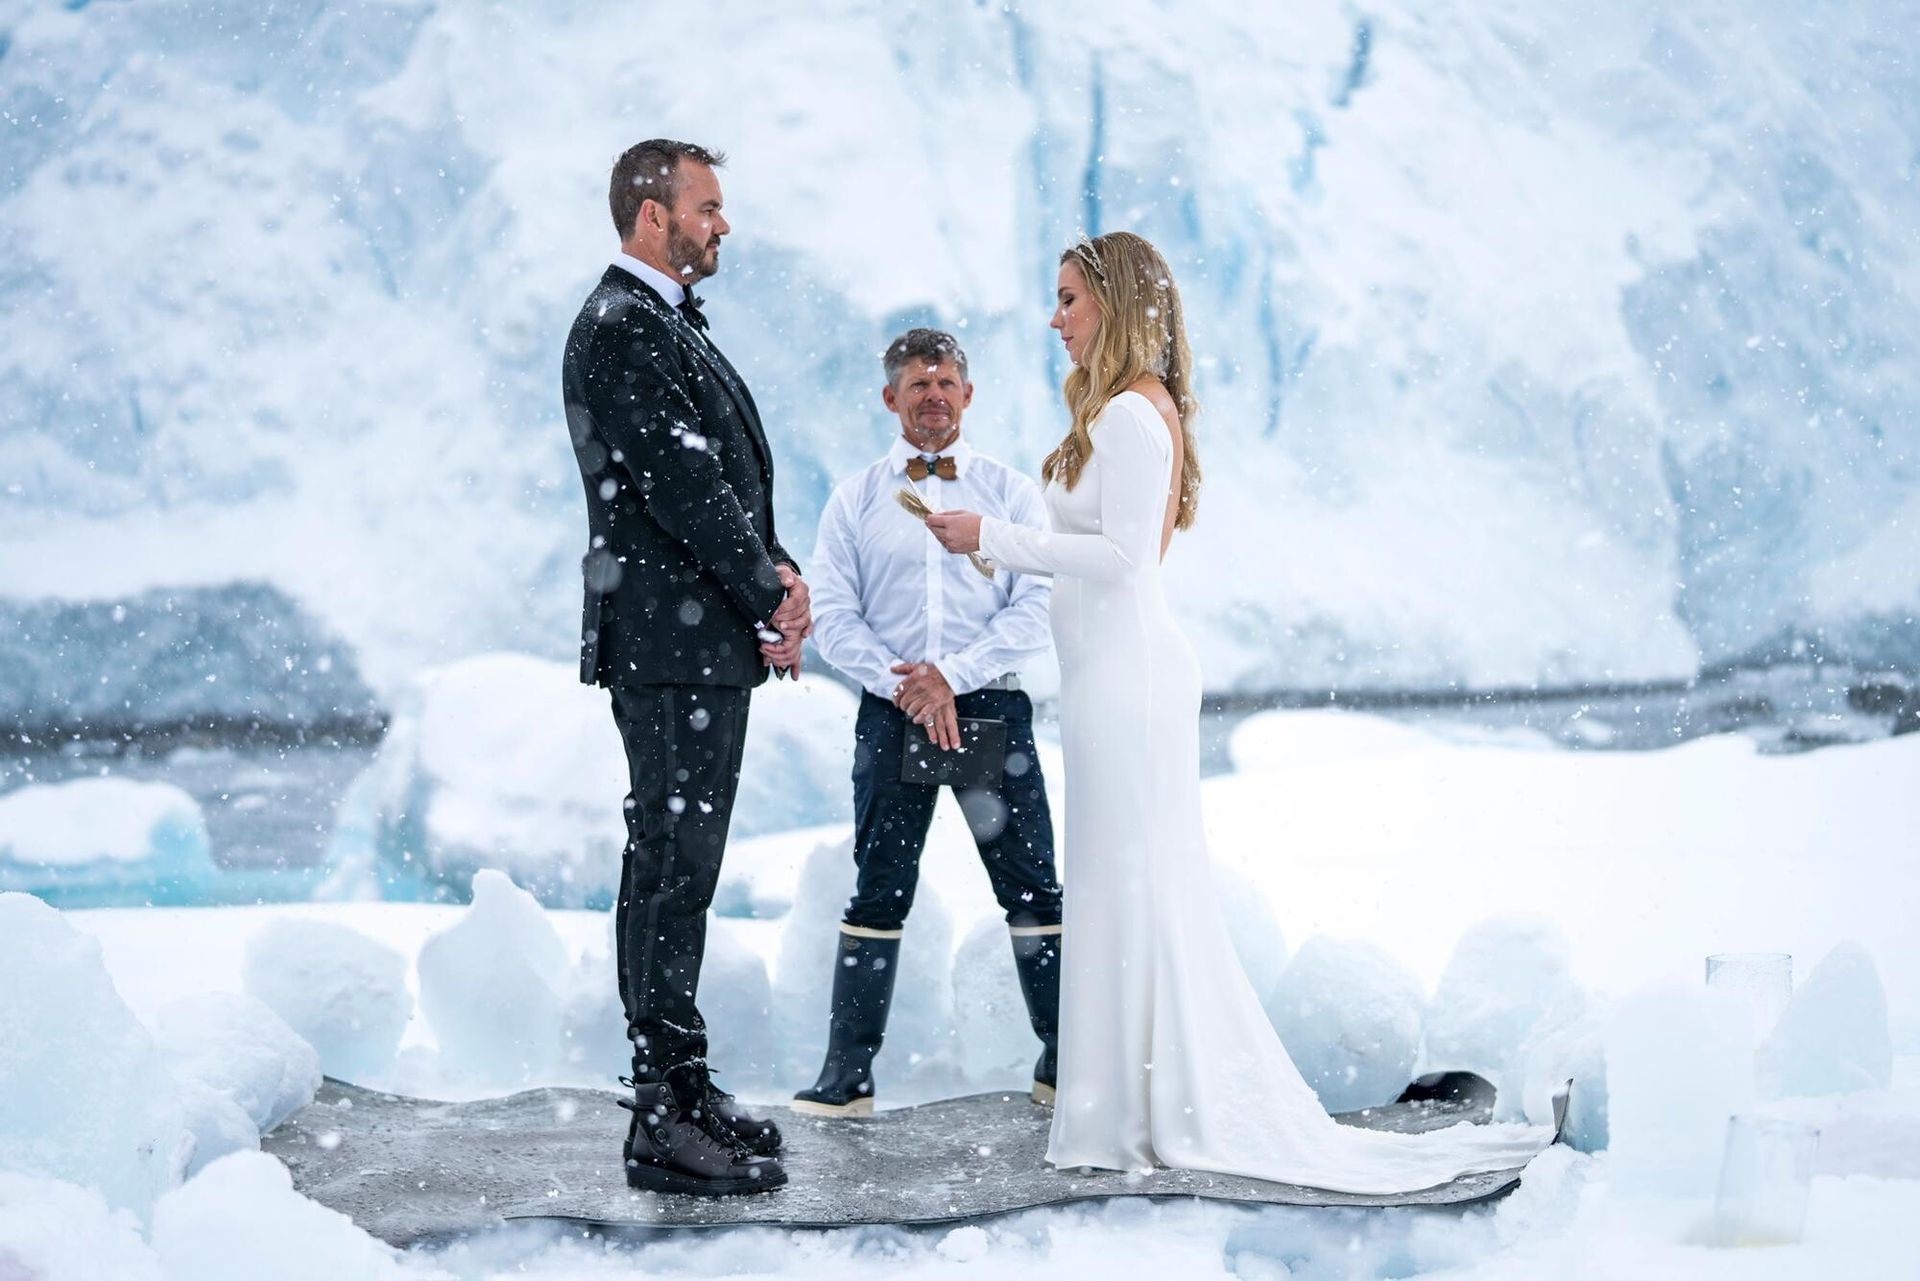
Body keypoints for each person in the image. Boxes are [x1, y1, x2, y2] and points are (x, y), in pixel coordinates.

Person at [924, 232, 1551, 1191]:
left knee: (1134, 884)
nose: (1054, 319)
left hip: (1129, 681)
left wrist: (997, 537)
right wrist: (1001, 546)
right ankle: (1126, 1105)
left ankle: (1135, 1110)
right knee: (1121, 884)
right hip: (1105, 678)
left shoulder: (1134, 419)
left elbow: (1128, 561)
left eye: (1068, 300)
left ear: (1118, 304)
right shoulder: (1121, 412)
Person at [561, 138, 808, 1197]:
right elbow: (682, 484)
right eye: (708, 206)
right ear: (652, 216)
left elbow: (718, 480)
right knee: (667, 865)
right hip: (669, 648)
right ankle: (661, 1115)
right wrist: (765, 593)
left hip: (693, 646)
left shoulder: (656, 323)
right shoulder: (620, 327)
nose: (723, 224)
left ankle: (685, 1082)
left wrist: (776, 574)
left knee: (682, 867)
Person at [793, 328, 1064, 1117]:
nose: (933, 395)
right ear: (890, 399)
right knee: (877, 890)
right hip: (892, 713)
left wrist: (953, 675)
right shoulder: (854, 501)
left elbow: (1037, 604)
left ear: (968, 395)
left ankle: (1064, 1062)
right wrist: (904, 684)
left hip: (992, 709)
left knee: (1032, 888)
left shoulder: (1011, 493)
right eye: (916, 385)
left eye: (945, 382)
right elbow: (835, 614)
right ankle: (848, 1077)